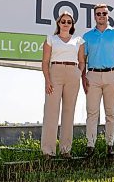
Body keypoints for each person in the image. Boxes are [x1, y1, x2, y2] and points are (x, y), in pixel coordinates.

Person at [82, 4, 114, 157]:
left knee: (110, 113)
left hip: (112, 75)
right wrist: (83, 77)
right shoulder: (87, 36)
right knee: (92, 113)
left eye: (104, 13)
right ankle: (90, 146)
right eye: (98, 13)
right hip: (92, 76)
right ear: (94, 16)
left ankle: (110, 145)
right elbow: (83, 59)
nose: (101, 16)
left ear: (108, 15)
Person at [41, 11, 85, 159]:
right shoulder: (51, 39)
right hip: (55, 73)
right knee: (51, 112)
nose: (66, 24)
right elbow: (45, 62)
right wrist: (47, 80)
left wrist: (78, 73)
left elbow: (82, 61)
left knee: (69, 112)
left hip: (73, 73)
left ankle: (66, 150)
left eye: (69, 22)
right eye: (63, 21)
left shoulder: (78, 41)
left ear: (72, 25)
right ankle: (48, 151)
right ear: (58, 23)